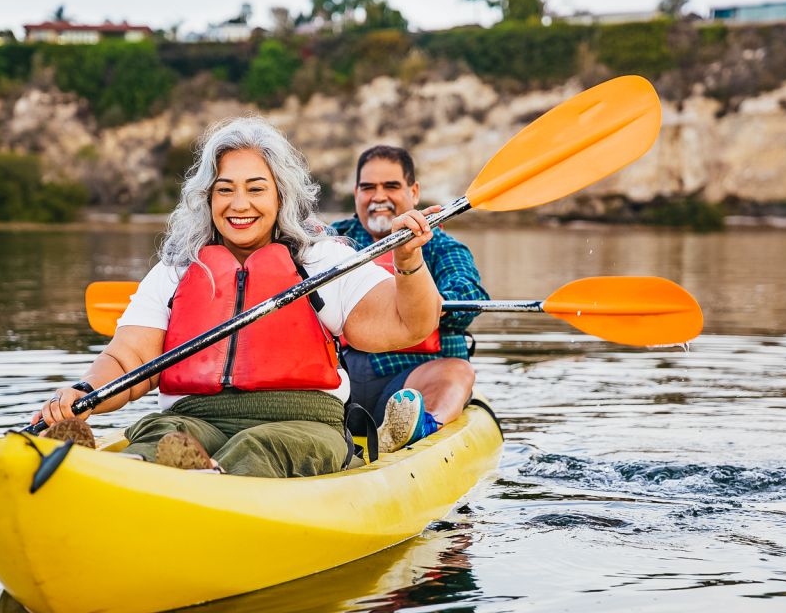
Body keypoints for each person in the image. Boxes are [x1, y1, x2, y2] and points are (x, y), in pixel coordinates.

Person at [33, 117, 443, 477]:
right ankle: (126, 474)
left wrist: (407, 259)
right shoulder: (177, 270)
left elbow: (409, 324)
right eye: (225, 189)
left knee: (258, 448)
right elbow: (129, 360)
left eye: (256, 189)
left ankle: (206, 483)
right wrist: (84, 391)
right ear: (207, 197)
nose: (239, 204)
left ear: (281, 195)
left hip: (299, 423)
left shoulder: (323, 261)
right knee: (162, 437)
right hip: (194, 418)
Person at [331, 145, 489, 452]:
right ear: (355, 193)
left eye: (391, 186)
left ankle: (426, 423)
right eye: (368, 188)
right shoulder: (334, 240)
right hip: (342, 383)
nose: (378, 197)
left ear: (413, 192)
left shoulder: (442, 247)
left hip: (412, 379)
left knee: (459, 371)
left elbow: (469, 293)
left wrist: (425, 303)